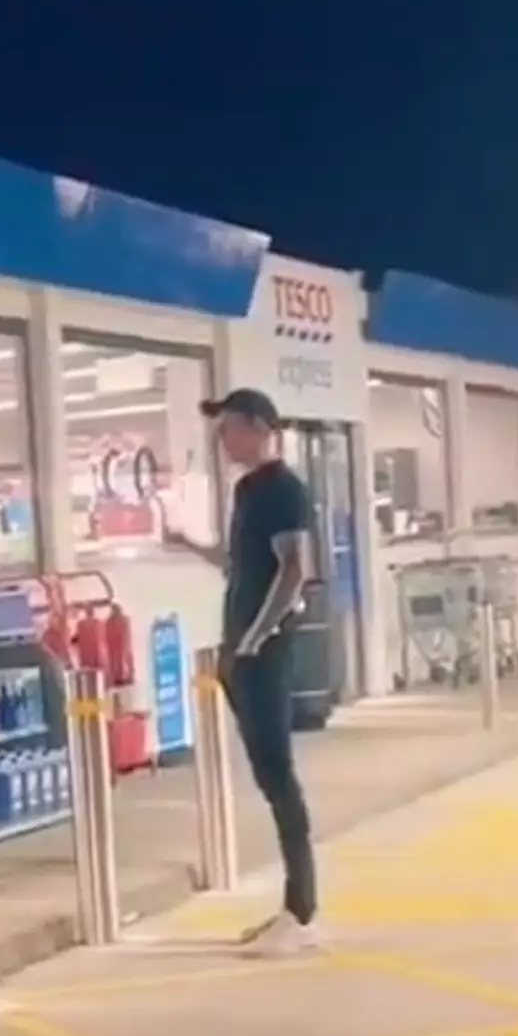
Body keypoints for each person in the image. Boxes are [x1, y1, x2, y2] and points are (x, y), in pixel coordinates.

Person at [173, 388, 319, 957]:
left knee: (278, 776)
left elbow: (293, 570)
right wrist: (189, 545)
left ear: (260, 428)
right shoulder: (246, 492)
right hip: (242, 651)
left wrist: (257, 638)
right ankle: (293, 907)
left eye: (230, 427)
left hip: (264, 653)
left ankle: (301, 910)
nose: (221, 438)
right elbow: (243, 564)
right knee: (267, 776)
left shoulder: (284, 490)